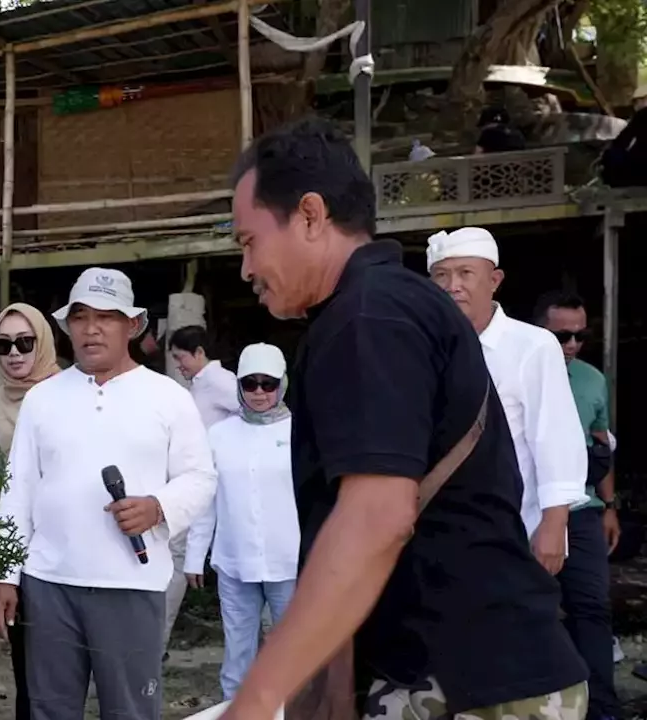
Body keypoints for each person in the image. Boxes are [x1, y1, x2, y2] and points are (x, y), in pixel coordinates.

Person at [221, 118, 587, 720]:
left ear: (310, 216)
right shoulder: (389, 305)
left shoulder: (369, 319)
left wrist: (259, 696)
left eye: (248, 242)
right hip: (459, 669)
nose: (245, 269)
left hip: (466, 684)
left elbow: (377, 516)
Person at [0, 267, 217, 720]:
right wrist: (4, 574)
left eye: (107, 317)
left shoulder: (168, 396)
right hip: (49, 584)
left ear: (133, 325)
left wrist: (157, 507)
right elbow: (18, 490)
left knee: (130, 710)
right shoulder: (43, 398)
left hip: (131, 585)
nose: (91, 329)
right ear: (67, 325)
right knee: (49, 710)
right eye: (80, 317)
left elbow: (200, 477)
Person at [426, 227, 587, 572]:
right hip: (438, 530)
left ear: (495, 279)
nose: (453, 285)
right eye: (441, 275)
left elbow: (555, 437)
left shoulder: (533, 345)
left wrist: (554, 525)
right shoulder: (421, 347)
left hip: (514, 530)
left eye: (465, 273)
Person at [185, 342, 297, 700]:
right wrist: (194, 555)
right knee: (237, 660)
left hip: (289, 563)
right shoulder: (219, 435)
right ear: (239, 386)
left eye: (269, 383)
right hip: (235, 563)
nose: (260, 392)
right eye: (251, 383)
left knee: (293, 657)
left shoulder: (300, 433)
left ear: (283, 383)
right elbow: (207, 502)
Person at [536, 289, 622, 720]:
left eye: (579, 336)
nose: (571, 345)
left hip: (583, 509)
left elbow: (602, 446)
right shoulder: (514, 372)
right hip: (530, 511)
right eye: (561, 336)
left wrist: (610, 505)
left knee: (592, 606)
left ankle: (602, 707)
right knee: (534, 609)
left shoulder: (591, 380)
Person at [0, 302, 62, 720]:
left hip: (65, 549)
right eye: (4, 344)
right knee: (27, 671)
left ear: (43, 342)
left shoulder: (69, 394)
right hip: (14, 550)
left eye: (25, 342)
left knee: (67, 671)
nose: (14, 353)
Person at [164, 325, 241, 657]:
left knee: (178, 556)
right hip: (193, 481)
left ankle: (157, 640)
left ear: (199, 353)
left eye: (181, 357)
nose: (179, 365)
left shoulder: (221, 382)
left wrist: (228, 454)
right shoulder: (197, 385)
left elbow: (254, 410)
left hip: (213, 483)